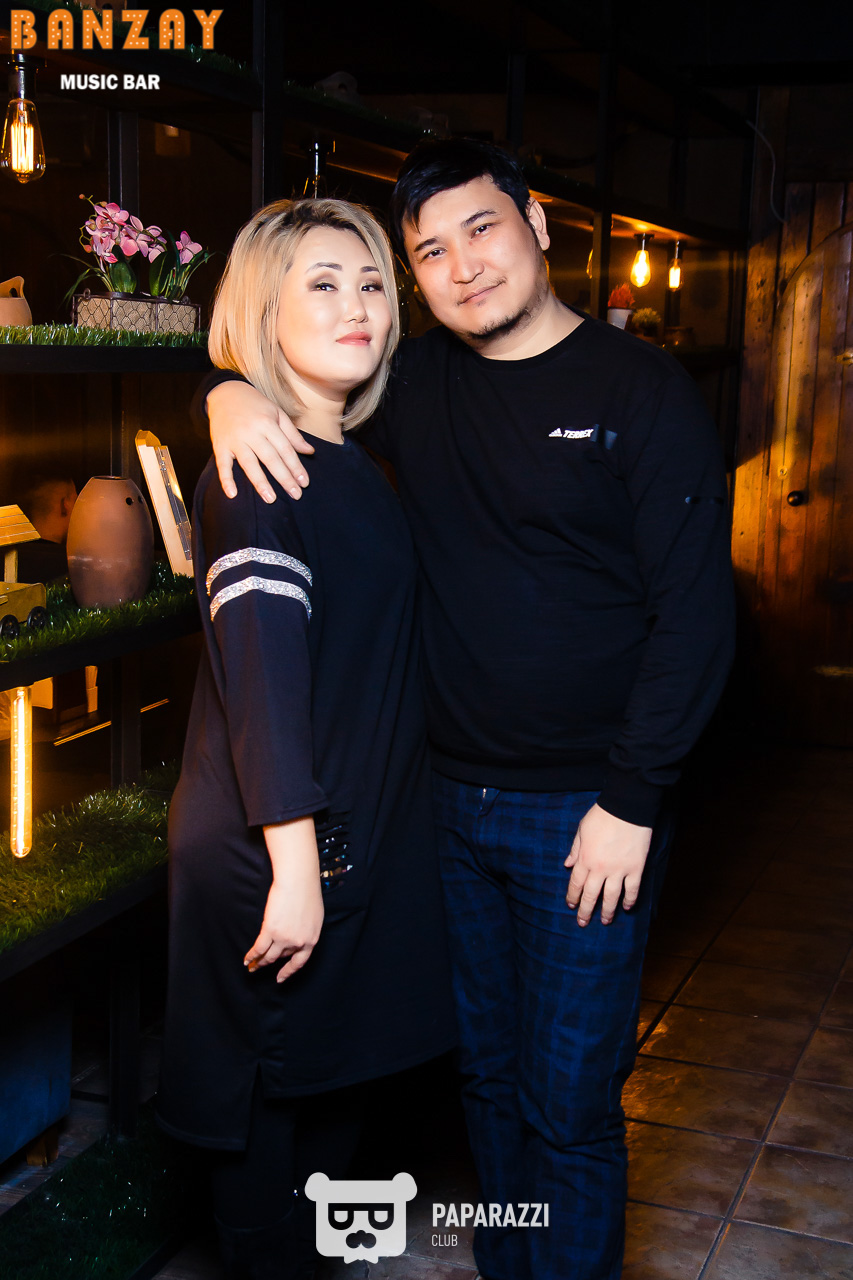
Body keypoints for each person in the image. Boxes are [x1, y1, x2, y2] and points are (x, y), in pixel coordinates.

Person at [200, 139, 736, 1280]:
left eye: (482, 229)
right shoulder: (416, 385)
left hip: (586, 814)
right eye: (429, 252)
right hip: (440, 805)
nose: (461, 267)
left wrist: (633, 800)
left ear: (537, 226)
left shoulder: (641, 392)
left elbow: (696, 618)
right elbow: (301, 374)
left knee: (568, 1100)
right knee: (482, 1078)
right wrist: (225, 393)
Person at [156, 197, 455, 1280]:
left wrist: (224, 390)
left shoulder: (344, 457)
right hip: (278, 845)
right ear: (263, 310)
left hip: (337, 837)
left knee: (331, 1084)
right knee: (266, 1106)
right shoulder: (259, 473)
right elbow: (265, 685)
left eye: (371, 282)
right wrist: (296, 869)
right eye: (321, 284)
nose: (356, 305)